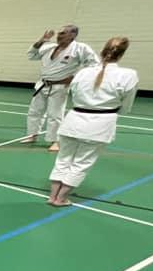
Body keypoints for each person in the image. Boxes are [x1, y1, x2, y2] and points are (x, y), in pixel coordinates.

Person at [48, 37, 137, 207]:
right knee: (81, 163)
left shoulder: (83, 72)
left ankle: (52, 196)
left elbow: (73, 93)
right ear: (121, 54)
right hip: (100, 124)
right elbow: (126, 105)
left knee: (63, 160)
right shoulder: (128, 75)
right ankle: (61, 199)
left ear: (103, 51)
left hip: (73, 121)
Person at [25, 25, 99, 151]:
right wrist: (42, 40)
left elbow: (95, 65)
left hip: (60, 86)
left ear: (73, 35)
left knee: (55, 115)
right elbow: (31, 55)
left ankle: (55, 141)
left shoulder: (80, 48)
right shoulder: (49, 47)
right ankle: (32, 135)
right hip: (42, 84)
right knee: (35, 111)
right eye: (59, 33)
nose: (59, 35)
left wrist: (75, 77)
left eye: (63, 33)